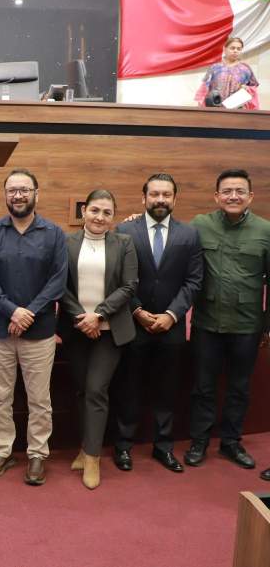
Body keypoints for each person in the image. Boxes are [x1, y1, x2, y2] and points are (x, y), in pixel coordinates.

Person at [0, 169, 68, 486]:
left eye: (24, 190)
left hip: (39, 330)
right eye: (12, 190)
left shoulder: (54, 233)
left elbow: (58, 280)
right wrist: (12, 310)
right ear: (5, 195)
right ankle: (3, 450)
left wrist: (29, 311)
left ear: (36, 194)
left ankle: (37, 455)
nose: (18, 195)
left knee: (39, 399)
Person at [112, 174, 203, 473]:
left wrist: (172, 315)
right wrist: (137, 310)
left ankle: (163, 448)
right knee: (129, 387)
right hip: (133, 324)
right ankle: (123, 446)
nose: (160, 199)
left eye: (166, 194)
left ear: (175, 199)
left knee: (167, 390)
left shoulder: (189, 235)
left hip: (171, 327)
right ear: (144, 198)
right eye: (154, 194)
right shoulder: (125, 230)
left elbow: (193, 281)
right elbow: (119, 278)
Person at [184, 169, 270, 472]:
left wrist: (267, 325)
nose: (233, 196)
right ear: (216, 196)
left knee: (238, 388)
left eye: (239, 191)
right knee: (203, 387)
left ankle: (231, 442)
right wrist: (134, 224)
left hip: (247, 326)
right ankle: (199, 441)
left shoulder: (265, 230)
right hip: (207, 323)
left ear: (250, 196)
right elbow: (174, 245)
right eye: (227, 191)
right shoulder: (200, 225)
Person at [59, 189, 138, 490]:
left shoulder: (124, 243)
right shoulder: (66, 243)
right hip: (77, 329)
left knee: (96, 389)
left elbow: (129, 287)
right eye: (94, 210)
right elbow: (60, 286)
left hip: (110, 331)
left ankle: (93, 457)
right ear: (83, 212)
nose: (99, 217)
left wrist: (99, 315)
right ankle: (84, 447)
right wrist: (82, 318)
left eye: (106, 212)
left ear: (113, 217)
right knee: (82, 391)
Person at [195, 37, 260, 109]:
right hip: (216, 109)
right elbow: (203, 89)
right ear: (225, 49)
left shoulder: (245, 68)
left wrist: (247, 88)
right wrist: (201, 109)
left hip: (238, 110)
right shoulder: (215, 67)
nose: (235, 51)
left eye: (239, 49)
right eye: (232, 48)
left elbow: (254, 89)